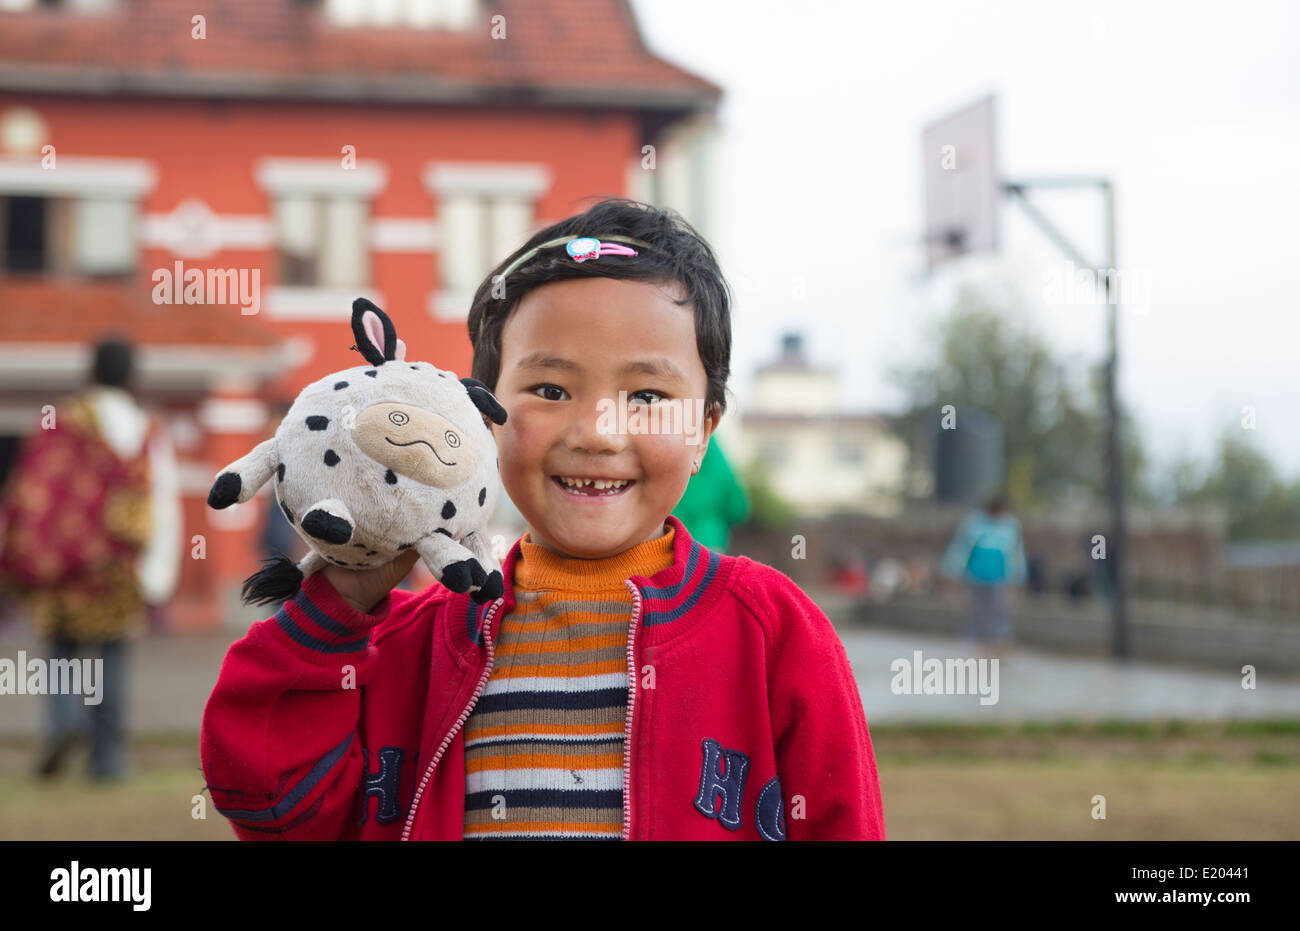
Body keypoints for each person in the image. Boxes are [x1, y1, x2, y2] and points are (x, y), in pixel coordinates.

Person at [200, 198, 886, 840]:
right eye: (550, 388)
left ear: (704, 428)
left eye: (646, 394)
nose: (595, 431)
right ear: (481, 417)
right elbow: (271, 803)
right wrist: (340, 608)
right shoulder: (408, 645)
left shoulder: (775, 637)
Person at [0, 335, 181, 782]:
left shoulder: (60, 423)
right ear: (132, 377)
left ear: (91, 373)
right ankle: (109, 758)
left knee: (63, 651)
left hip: (63, 566)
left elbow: (30, 492)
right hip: (117, 568)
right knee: (110, 658)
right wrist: (157, 575)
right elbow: (160, 500)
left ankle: (63, 723)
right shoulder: (145, 430)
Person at [940, 493, 1028, 656]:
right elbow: (961, 549)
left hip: (1000, 576)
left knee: (1000, 609)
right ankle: (976, 644)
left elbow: (1016, 554)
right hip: (977, 574)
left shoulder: (1010, 525)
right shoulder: (974, 523)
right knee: (978, 609)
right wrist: (951, 571)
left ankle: (999, 642)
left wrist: (1019, 577)